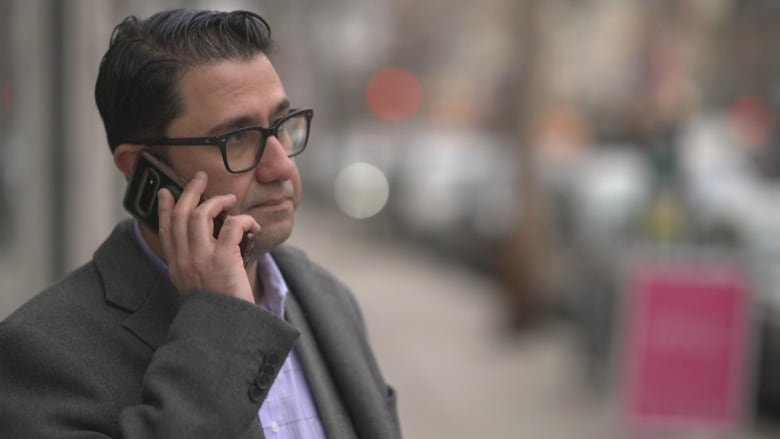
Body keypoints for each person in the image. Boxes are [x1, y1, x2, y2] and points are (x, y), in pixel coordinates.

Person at [0, 8, 400, 439]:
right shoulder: (39, 355)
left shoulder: (326, 298)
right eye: (237, 139)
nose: (281, 166)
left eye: (281, 125)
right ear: (142, 171)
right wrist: (221, 324)